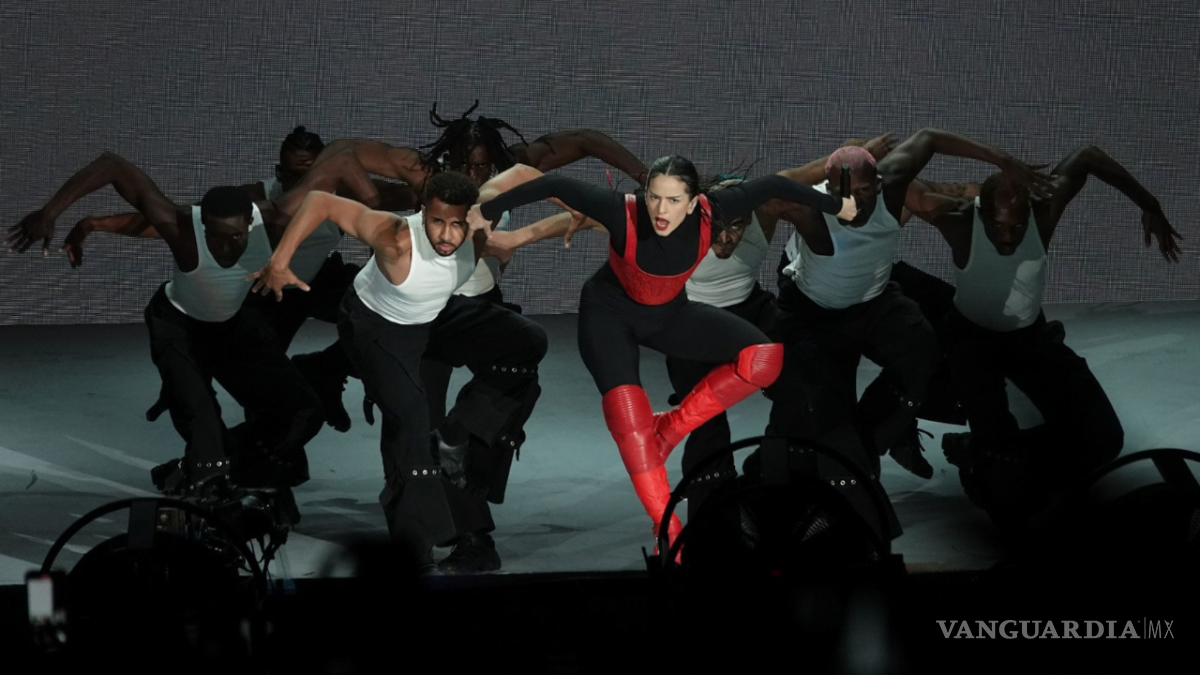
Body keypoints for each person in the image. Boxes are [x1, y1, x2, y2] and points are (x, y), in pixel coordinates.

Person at [471, 155, 855, 551]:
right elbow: (553, 186)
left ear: (693, 202)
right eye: (654, 197)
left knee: (765, 358)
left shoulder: (715, 210)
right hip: (609, 318)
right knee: (630, 424)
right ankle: (668, 532)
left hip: (669, 315)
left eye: (673, 201)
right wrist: (485, 211)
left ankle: (669, 429)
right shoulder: (622, 211)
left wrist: (838, 205)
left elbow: (777, 183)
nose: (660, 210)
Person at [6, 149, 381, 493]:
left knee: (305, 412)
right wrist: (51, 212)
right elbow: (112, 166)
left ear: (251, 222)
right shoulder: (184, 229)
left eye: (236, 236)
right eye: (216, 238)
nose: (227, 248)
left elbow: (340, 160)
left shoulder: (275, 217)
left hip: (233, 327)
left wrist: (379, 223)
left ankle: (214, 473)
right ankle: (207, 475)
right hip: (178, 329)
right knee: (204, 433)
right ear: (202, 227)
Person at [765, 128, 1052, 539]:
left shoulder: (895, 183)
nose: (853, 202)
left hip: (875, 301)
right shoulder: (809, 205)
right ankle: (800, 486)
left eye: (864, 191)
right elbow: (768, 191)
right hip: (814, 311)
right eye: (842, 192)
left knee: (925, 349)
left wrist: (1001, 162)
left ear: (880, 184)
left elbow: (931, 138)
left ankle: (883, 435)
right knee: (820, 408)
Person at [248, 170, 527, 568]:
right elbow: (324, 197)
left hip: (463, 311)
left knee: (504, 382)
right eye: (438, 218)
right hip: (402, 320)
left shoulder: (483, 208)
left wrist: (587, 205)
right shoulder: (401, 235)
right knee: (411, 426)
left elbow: (532, 173)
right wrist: (279, 260)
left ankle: (469, 527)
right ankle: (425, 538)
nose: (448, 229)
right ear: (425, 209)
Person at [905, 144, 1182, 532]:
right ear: (980, 212)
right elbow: (900, 172)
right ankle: (989, 459)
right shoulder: (957, 220)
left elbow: (1086, 156)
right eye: (997, 226)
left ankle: (980, 451)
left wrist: (1149, 203)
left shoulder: (1044, 212)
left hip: (1028, 337)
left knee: (1104, 438)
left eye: (1016, 226)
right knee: (1003, 489)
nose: (1007, 238)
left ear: (1029, 214)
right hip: (972, 342)